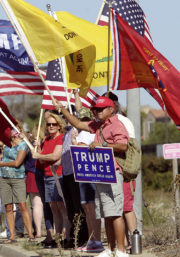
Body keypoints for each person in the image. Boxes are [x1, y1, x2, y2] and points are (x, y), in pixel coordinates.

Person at [54, 96, 130, 257]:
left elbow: (123, 146)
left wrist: (101, 145)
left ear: (111, 109)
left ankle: (122, 250)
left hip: (114, 173)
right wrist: (62, 109)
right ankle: (110, 249)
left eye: (102, 109)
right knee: (106, 213)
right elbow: (76, 123)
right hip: (102, 174)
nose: (98, 112)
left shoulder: (117, 124)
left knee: (115, 212)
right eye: (96, 109)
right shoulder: (98, 125)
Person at [0, 119, 35, 244]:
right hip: (3, 178)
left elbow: (17, 163)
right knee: (8, 207)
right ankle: (11, 236)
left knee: (22, 205)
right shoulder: (6, 142)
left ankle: (30, 235)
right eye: (12, 128)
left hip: (18, 178)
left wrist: (0, 163)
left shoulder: (23, 144)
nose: (14, 130)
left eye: (16, 127)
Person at [32, 113, 72, 247]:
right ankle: (58, 237)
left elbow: (56, 155)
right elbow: (42, 159)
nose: (50, 126)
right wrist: (38, 149)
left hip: (58, 176)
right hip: (47, 175)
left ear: (59, 125)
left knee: (62, 207)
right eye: (48, 124)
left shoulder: (60, 138)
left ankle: (68, 237)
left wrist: (39, 154)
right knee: (53, 207)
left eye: (53, 124)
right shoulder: (47, 139)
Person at [107, 92, 137, 254]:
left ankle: (134, 241)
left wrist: (105, 144)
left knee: (126, 206)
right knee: (117, 208)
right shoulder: (107, 123)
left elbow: (126, 145)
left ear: (115, 107)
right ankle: (123, 243)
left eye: (107, 107)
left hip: (123, 168)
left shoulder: (122, 121)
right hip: (112, 169)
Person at [60, 90, 89, 249]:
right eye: (65, 117)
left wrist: (76, 95)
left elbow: (79, 109)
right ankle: (74, 236)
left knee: (79, 208)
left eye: (68, 116)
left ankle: (82, 237)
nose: (66, 119)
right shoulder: (66, 133)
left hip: (77, 175)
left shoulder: (79, 130)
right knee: (70, 209)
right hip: (66, 174)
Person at [72, 108, 104, 253]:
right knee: (87, 208)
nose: (84, 121)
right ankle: (92, 239)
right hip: (82, 174)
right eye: (82, 119)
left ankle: (97, 240)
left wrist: (74, 141)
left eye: (86, 119)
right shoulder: (84, 131)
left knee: (91, 208)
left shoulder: (88, 132)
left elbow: (81, 149)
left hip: (90, 173)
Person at [25, 124, 44, 238]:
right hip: (45, 173)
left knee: (37, 204)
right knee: (52, 204)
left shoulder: (29, 145)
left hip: (32, 174)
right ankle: (55, 230)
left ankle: (38, 231)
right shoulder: (47, 142)